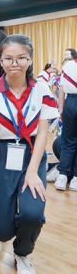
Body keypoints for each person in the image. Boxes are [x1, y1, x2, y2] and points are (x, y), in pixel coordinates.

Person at [0, 34, 58, 274]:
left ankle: (22, 254)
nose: (15, 63)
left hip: (32, 153)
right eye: (9, 58)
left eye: (21, 58)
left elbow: (42, 132)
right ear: (0, 61)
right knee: (3, 229)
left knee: (33, 213)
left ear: (30, 60)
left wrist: (33, 171)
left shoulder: (41, 89)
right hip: (1, 154)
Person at [54, 51, 77, 191]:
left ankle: (62, 176)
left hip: (71, 102)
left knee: (68, 141)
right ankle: (75, 179)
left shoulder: (68, 65)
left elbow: (61, 88)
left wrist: (61, 107)